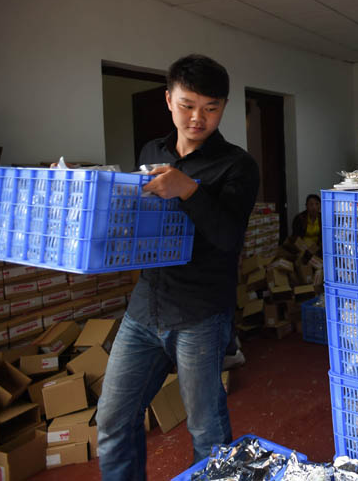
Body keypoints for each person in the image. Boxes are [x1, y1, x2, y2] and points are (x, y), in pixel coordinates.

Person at [96, 54, 259, 480]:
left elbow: (228, 238)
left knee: (206, 431)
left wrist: (189, 190)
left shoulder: (237, 165)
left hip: (200, 313)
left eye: (210, 108)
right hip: (145, 306)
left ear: (223, 107)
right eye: (187, 105)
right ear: (169, 100)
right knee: (112, 419)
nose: (197, 118)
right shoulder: (152, 150)